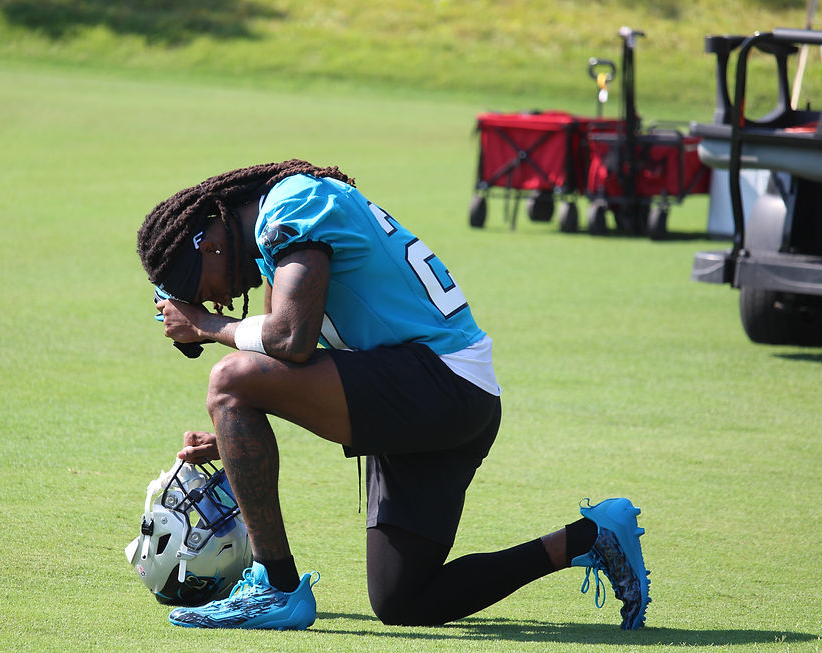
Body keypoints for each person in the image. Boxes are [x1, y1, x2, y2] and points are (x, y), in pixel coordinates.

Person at [135, 160, 651, 630]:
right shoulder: (277, 232)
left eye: (204, 288)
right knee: (403, 600)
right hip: (436, 396)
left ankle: (277, 587)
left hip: (441, 382)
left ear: (208, 242)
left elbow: (291, 341)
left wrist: (206, 325)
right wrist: (234, 435)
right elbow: (283, 370)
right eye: (207, 302)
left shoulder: (290, 205)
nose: (218, 299)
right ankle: (592, 537)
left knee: (227, 378)